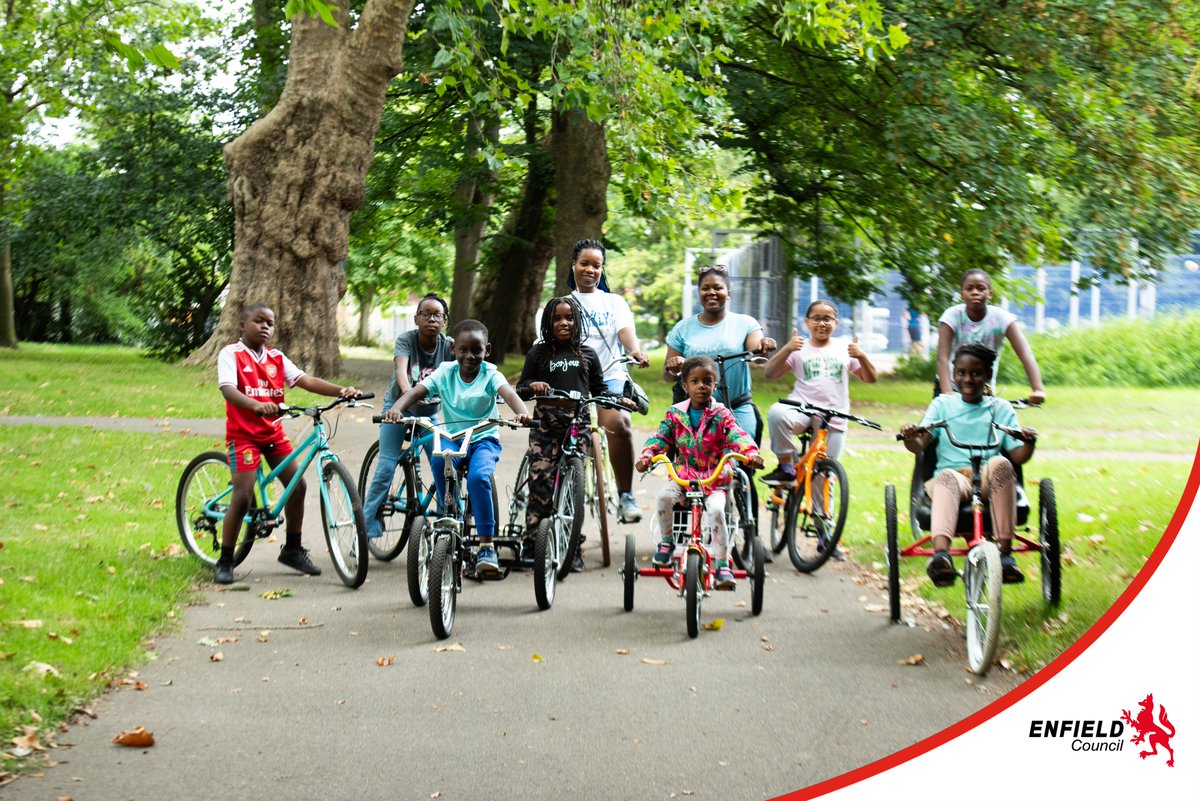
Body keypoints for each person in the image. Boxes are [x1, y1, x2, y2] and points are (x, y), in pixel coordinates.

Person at [214, 303, 362, 585]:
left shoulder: (276, 358)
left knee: (298, 486)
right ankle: (225, 559)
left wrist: (341, 391)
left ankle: (292, 548)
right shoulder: (230, 354)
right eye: (258, 321)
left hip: (272, 434)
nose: (265, 327)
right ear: (242, 325)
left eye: (270, 322)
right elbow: (228, 390)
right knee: (243, 495)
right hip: (243, 435)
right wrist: (256, 405)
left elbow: (305, 380)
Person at [384, 319, 531, 575]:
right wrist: (397, 407)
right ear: (454, 349)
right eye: (463, 350)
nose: (470, 356)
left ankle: (486, 545)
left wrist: (522, 413)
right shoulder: (445, 371)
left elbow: (509, 394)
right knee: (440, 462)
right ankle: (449, 514)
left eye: (477, 350)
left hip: (484, 438)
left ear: (488, 350)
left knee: (478, 477)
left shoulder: (490, 373)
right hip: (453, 436)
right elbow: (417, 391)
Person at [900, 343, 1038, 585]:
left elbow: (1018, 456)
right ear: (954, 373)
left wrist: (1028, 443)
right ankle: (941, 556)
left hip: (987, 475)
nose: (968, 379)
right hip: (953, 476)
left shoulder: (1000, 408)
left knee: (1002, 463)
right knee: (947, 479)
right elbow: (920, 445)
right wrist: (912, 438)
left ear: (987, 375)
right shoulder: (943, 405)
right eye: (961, 372)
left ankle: (1005, 555)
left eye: (976, 373)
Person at [515, 297, 634, 571]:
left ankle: (572, 547)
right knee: (541, 482)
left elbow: (600, 390)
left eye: (569, 318)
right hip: (544, 426)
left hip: (576, 425)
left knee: (573, 489)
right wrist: (533, 385)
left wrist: (619, 400)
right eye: (557, 318)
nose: (563, 323)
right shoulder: (538, 354)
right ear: (548, 322)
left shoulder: (587, 354)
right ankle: (533, 542)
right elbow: (521, 388)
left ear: (577, 322)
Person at [635, 356, 763, 589]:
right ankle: (666, 543)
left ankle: (723, 564)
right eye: (695, 381)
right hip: (684, 477)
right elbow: (660, 438)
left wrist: (750, 453)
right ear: (685, 385)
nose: (701, 386)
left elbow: (737, 435)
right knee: (664, 498)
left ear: (715, 385)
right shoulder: (675, 414)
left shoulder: (721, 415)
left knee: (716, 510)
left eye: (707, 381)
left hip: (714, 479)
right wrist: (647, 456)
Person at [568, 238, 650, 524]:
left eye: (597, 265)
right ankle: (562, 498)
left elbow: (625, 332)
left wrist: (634, 350)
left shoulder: (613, 301)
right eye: (585, 264)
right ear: (574, 266)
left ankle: (626, 495)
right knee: (561, 435)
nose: (591, 270)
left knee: (619, 425)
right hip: (572, 378)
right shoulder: (563, 304)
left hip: (610, 376)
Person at [362, 293, 454, 539]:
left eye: (437, 315)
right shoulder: (406, 340)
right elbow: (401, 370)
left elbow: (465, 370)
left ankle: (446, 521)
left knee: (444, 463)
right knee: (386, 467)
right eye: (425, 314)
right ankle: (365, 528)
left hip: (430, 413)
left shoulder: (449, 346)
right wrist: (407, 394)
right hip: (398, 408)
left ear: (444, 320)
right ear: (416, 318)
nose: (431, 319)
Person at [761, 299, 877, 487]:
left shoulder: (844, 348)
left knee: (822, 478)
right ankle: (786, 467)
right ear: (806, 322)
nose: (821, 323)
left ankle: (823, 517)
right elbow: (770, 373)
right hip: (802, 410)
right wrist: (788, 348)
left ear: (835, 323)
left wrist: (862, 356)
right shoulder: (798, 348)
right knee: (777, 413)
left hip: (833, 418)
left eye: (827, 319)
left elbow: (870, 378)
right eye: (816, 319)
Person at [663, 263, 776, 446]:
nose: (711, 292)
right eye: (705, 288)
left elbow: (756, 352)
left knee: (745, 452)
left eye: (718, 287)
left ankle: (741, 475)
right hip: (695, 410)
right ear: (698, 292)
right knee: (695, 463)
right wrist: (674, 366)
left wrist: (763, 345)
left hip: (737, 406)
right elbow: (668, 375)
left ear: (729, 293)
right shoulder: (682, 328)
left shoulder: (745, 323)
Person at [936, 269, 1046, 404]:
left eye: (981, 288)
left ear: (990, 294)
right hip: (951, 384)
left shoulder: (1002, 318)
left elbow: (1025, 353)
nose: (975, 292)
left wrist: (1038, 389)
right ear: (961, 294)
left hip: (981, 387)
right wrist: (947, 392)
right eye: (969, 288)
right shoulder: (952, 316)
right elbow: (942, 358)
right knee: (940, 423)